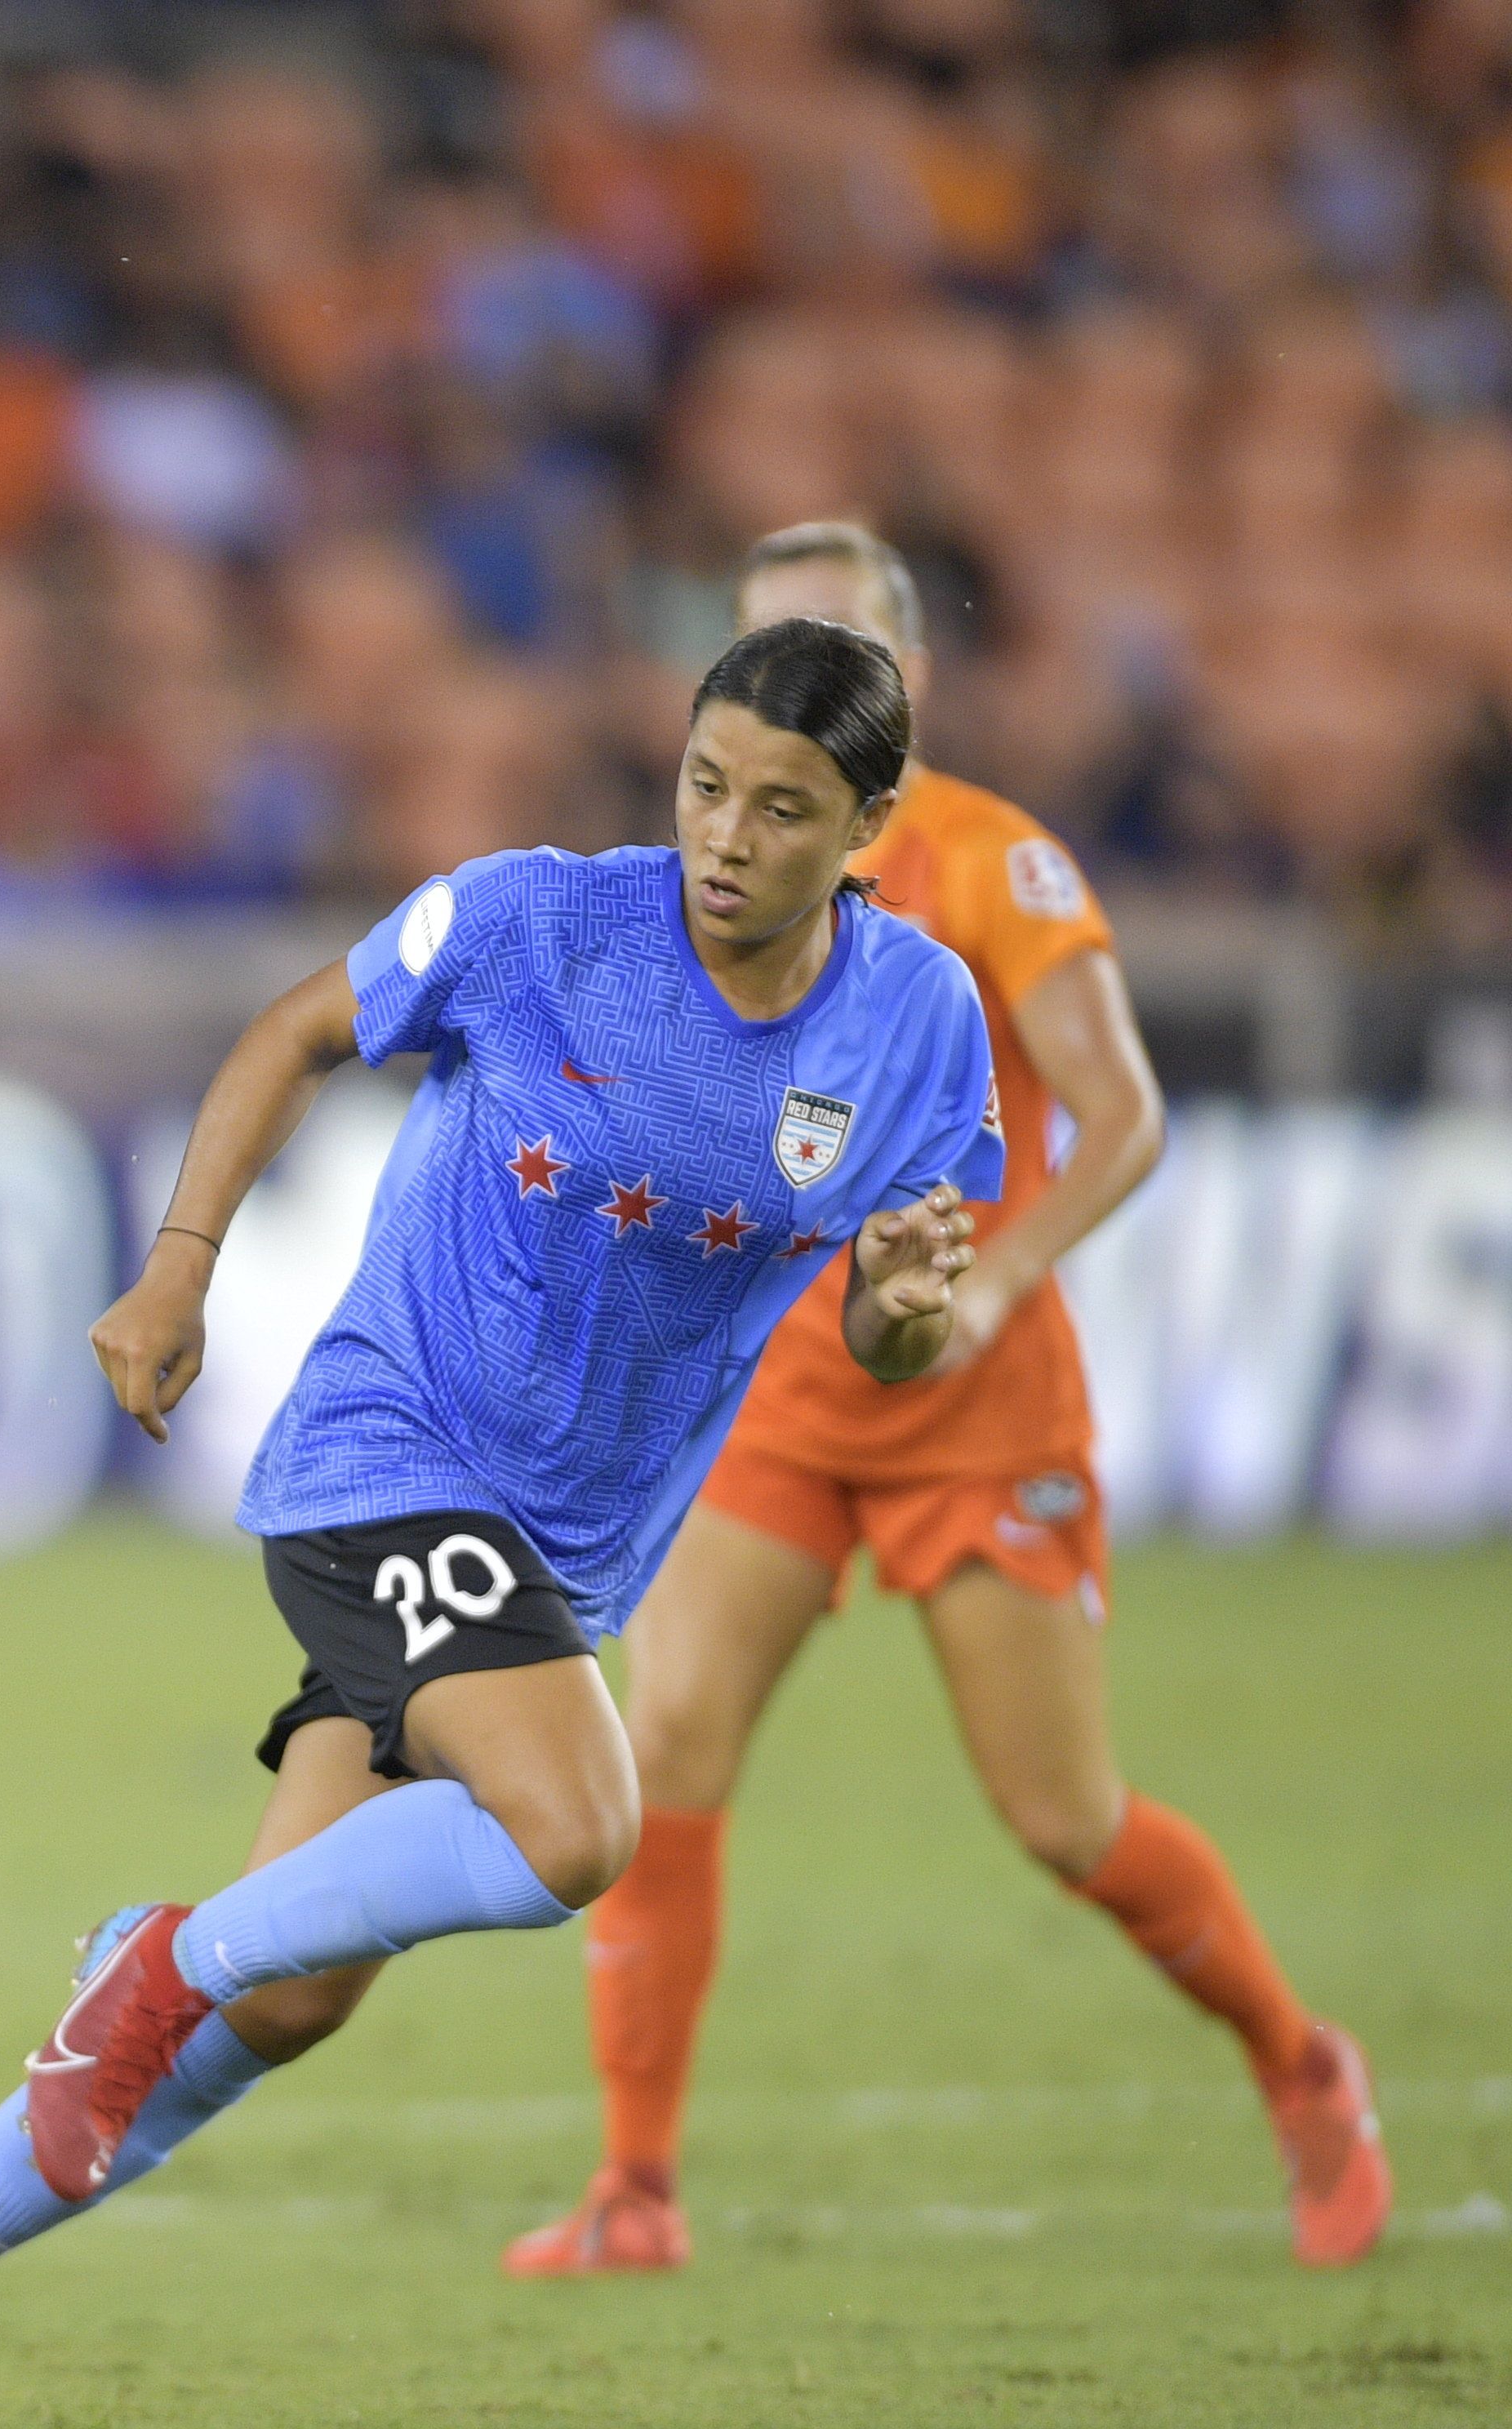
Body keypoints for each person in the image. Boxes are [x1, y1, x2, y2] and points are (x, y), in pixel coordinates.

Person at [0, 616, 996, 2429]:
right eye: (705, 784)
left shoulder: (914, 1027)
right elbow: (292, 1033)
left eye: (785, 808)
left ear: (870, 826)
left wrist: (908, 1297)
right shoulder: (535, 923)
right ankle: (162, 1952)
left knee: (292, 2003)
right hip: (390, 1456)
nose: (727, 836)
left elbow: (900, 1354)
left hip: (564, 1553)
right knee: (581, 1821)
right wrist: (176, 1272)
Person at [508, 527, 1388, 2278]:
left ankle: (1304, 2067)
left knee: (1063, 1816)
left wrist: (992, 1274)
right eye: (752, 659)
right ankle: (636, 2187)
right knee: (664, 1753)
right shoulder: (700, 884)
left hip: (973, 1403)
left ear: (903, 697)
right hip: (770, 1391)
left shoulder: (995, 865)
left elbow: (1122, 1113)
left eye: (824, 659)